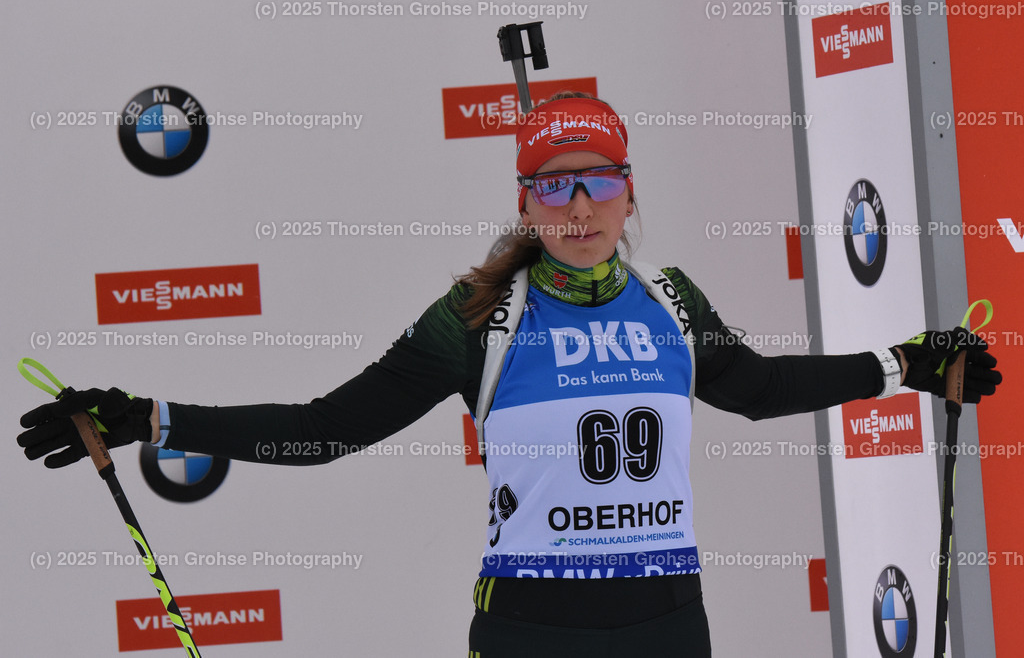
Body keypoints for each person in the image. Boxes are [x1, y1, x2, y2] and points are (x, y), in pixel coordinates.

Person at [18, 92, 1001, 657]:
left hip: (666, 624)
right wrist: (153, 416)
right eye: (551, 185)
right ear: (525, 200)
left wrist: (905, 363)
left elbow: (751, 387)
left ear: (628, 190)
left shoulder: (672, 299)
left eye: (598, 180)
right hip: (532, 628)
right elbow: (327, 426)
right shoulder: (477, 318)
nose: (578, 206)